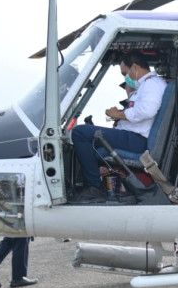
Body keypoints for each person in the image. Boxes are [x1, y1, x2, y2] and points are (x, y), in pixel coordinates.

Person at [71, 52, 167, 203]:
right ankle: (95, 182)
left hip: (136, 140)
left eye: (125, 73)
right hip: (132, 136)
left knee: (80, 132)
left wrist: (119, 114)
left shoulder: (152, 84)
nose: (125, 78)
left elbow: (147, 111)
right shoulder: (145, 86)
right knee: (87, 140)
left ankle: (95, 187)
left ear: (134, 67)